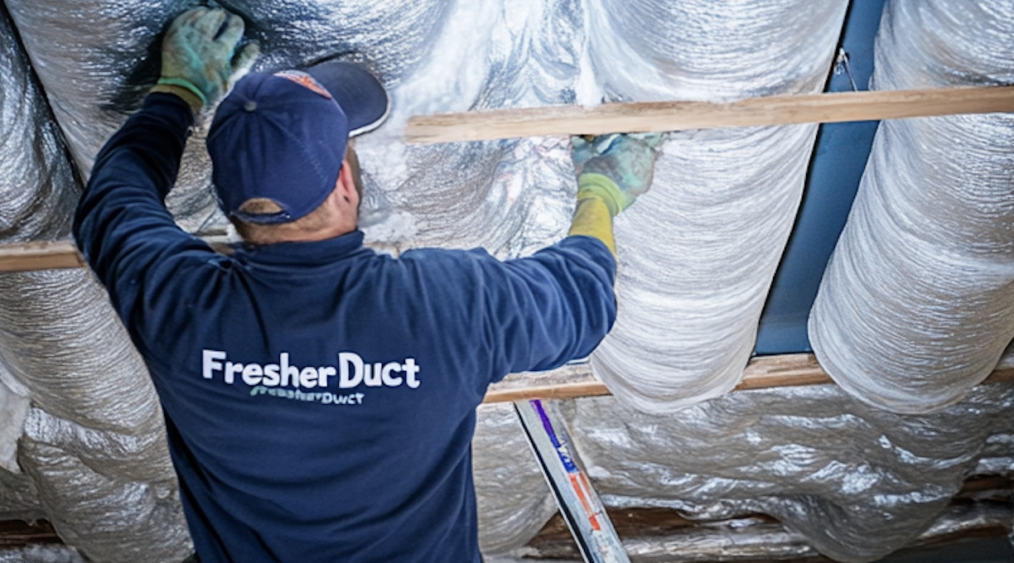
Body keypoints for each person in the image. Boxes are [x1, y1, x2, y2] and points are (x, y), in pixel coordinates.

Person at [73, 7, 664, 563]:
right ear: (345, 187)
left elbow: (113, 201)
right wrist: (602, 190)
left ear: (228, 200)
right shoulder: (445, 306)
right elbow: (583, 300)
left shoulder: (176, 306)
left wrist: (178, 93)